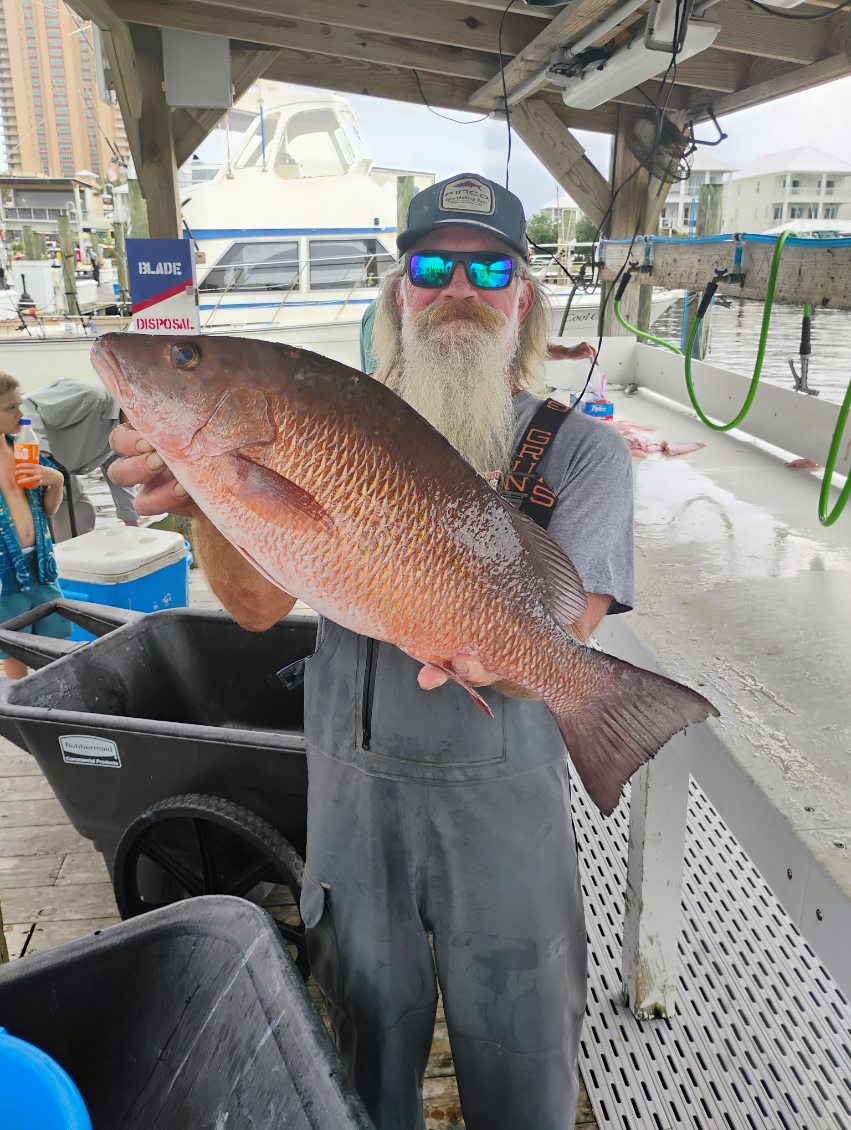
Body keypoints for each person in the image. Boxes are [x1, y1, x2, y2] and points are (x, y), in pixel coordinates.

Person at [108, 172, 634, 1130]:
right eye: (432, 268)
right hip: (351, 804)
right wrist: (207, 501)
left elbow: (573, 630)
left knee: (525, 1057)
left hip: (505, 809)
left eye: (490, 269)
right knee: (361, 1050)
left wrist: (497, 641)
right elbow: (256, 607)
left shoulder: (581, 451)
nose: (460, 289)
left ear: (523, 299)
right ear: (399, 293)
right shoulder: (327, 414)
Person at [0, 374, 70, 679]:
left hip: (41, 563)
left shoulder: (24, 448)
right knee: (13, 647)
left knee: (56, 637)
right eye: (10, 408)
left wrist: (56, 480)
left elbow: (48, 510)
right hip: (4, 574)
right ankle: (21, 701)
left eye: (20, 404)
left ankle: (58, 694)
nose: (21, 413)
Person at [22, 380, 138, 541]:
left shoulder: (126, 436)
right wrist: (43, 453)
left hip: (62, 477)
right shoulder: (91, 397)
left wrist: (133, 525)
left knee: (82, 513)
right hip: (22, 463)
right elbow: (25, 404)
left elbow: (119, 478)